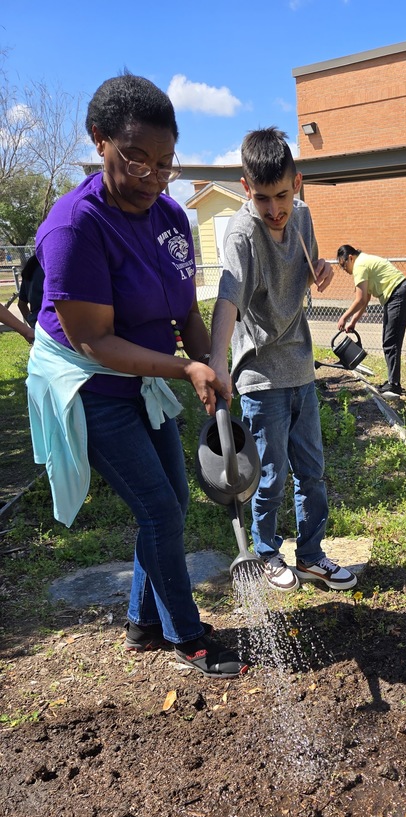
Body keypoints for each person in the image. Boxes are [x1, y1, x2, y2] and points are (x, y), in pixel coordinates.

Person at [27, 73, 247, 680]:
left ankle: (143, 622)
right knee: (161, 511)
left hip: (144, 374)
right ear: (99, 141)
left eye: (166, 163)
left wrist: (212, 370)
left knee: (170, 502)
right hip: (89, 383)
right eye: (138, 159)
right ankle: (187, 634)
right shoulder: (76, 226)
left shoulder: (171, 216)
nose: (154, 176)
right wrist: (183, 367)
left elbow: (186, 312)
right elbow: (93, 340)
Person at [209, 128, 358, 594]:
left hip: (301, 367)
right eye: (262, 199)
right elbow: (228, 300)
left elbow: (312, 266)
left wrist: (323, 270)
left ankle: (311, 556)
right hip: (259, 377)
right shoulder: (242, 236)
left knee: (311, 472)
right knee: (270, 476)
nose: (274, 210)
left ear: (297, 182)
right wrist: (217, 363)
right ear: (245, 187)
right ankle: (268, 551)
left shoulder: (303, 216)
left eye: (282, 196)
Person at [336, 245, 406, 399]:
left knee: (390, 342)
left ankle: (394, 385)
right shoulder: (363, 262)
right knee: (390, 341)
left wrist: (344, 317)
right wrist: (353, 322)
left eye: (344, 265)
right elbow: (365, 299)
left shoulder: (360, 265)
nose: (344, 269)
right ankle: (393, 382)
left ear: (351, 258)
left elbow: (359, 299)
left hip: (398, 295)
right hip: (399, 295)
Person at [18, 253, 45, 331]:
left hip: (39, 329)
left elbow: (21, 304)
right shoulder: (53, 267)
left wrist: (33, 325)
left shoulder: (32, 265)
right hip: (57, 332)